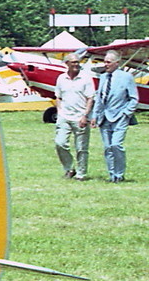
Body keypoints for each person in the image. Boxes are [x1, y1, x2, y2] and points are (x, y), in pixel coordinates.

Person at [92, 50, 136, 182]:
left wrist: (126, 113)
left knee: (116, 145)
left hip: (120, 117)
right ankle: (112, 175)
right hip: (104, 118)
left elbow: (134, 98)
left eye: (108, 62)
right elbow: (99, 98)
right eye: (104, 62)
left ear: (117, 63)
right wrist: (94, 115)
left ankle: (120, 174)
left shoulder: (126, 77)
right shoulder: (103, 77)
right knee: (107, 147)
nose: (105, 64)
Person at [53, 55, 95, 180]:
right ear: (67, 64)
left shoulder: (86, 78)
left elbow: (90, 98)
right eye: (73, 62)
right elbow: (58, 96)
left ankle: (81, 173)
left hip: (80, 117)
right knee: (59, 143)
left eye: (77, 62)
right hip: (64, 116)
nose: (76, 64)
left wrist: (85, 115)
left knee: (81, 147)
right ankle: (69, 168)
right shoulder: (61, 78)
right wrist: (59, 111)